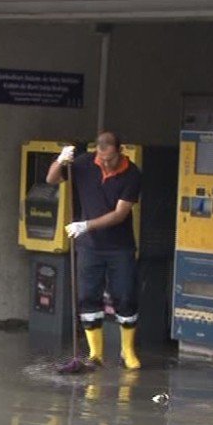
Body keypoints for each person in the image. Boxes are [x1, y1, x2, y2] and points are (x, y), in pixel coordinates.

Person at [46, 131, 141, 369]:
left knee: (126, 296)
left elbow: (120, 214)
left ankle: (127, 351)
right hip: (90, 247)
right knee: (88, 297)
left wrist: (86, 225)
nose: (105, 163)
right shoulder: (84, 164)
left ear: (120, 151)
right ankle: (95, 354)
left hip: (120, 247)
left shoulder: (132, 174)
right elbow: (52, 179)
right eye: (101, 158)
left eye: (110, 158)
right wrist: (60, 160)